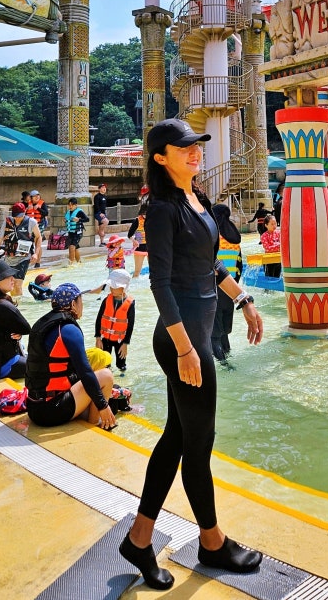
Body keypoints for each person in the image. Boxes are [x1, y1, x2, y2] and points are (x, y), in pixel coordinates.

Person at [118, 118, 264, 590]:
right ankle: (212, 542)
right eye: (184, 148)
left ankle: (139, 539)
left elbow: (209, 264)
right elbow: (160, 283)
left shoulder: (194, 198)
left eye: (196, 145)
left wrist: (243, 300)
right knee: (198, 447)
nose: (195, 152)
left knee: (177, 440)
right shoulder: (162, 209)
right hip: (183, 341)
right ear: (161, 157)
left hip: (194, 336)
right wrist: (185, 349)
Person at [25, 283, 117, 431]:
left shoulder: (43, 323)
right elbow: (85, 373)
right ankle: (95, 424)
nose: (82, 306)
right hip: (51, 410)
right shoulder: (69, 330)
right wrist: (103, 406)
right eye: (81, 301)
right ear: (73, 304)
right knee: (106, 376)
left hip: (33, 406)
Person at [211, 203, 243, 365]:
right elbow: (239, 266)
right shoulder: (234, 238)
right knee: (224, 333)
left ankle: (225, 365)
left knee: (214, 335)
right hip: (230, 292)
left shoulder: (213, 237)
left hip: (214, 289)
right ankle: (228, 359)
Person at [0, 202, 42, 297]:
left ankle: (19, 305)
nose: (17, 218)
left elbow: (38, 237)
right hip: (9, 258)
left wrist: (36, 253)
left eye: (19, 216)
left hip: (24, 258)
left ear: (24, 212)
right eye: (15, 216)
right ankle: (14, 302)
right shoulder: (7, 222)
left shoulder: (31, 222)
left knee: (17, 285)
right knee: (11, 285)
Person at [94, 268, 135, 374]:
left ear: (123, 287)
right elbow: (99, 319)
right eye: (111, 286)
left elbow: (130, 326)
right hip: (105, 339)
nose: (111, 288)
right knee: (104, 364)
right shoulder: (106, 300)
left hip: (120, 341)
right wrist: (98, 337)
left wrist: (125, 344)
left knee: (121, 365)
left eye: (114, 286)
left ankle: (122, 380)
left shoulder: (130, 304)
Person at [64, 198, 89, 264]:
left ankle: (71, 264)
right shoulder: (68, 212)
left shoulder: (79, 212)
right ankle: (79, 262)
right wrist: (65, 221)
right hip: (71, 233)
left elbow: (87, 219)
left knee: (72, 247)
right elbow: (68, 221)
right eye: (69, 205)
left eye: (72, 205)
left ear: (76, 205)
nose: (70, 206)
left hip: (77, 233)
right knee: (75, 248)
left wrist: (79, 220)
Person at [26, 190, 49, 265]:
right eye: (35, 196)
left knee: (37, 242)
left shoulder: (42, 203)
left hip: (39, 225)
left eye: (38, 195)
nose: (37, 197)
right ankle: (30, 259)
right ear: (31, 198)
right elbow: (23, 214)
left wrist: (38, 208)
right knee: (28, 242)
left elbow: (46, 213)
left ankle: (38, 262)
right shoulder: (28, 204)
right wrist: (27, 209)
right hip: (30, 225)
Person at [127, 203, 147, 278]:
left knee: (154, 271)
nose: (146, 215)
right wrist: (134, 241)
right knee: (137, 272)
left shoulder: (153, 220)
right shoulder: (137, 220)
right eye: (144, 213)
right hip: (139, 248)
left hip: (151, 248)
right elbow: (129, 235)